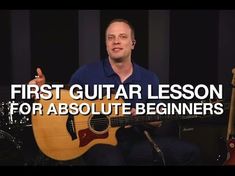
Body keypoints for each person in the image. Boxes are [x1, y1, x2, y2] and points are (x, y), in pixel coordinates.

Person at [29, 18, 201, 165]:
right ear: (106, 44)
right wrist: (43, 92)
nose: (116, 41)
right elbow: (62, 103)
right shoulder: (86, 73)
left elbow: (157, 120)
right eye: (111, 37)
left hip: (136, 142)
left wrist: (147, 116)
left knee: (190, 152)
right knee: (112, 161)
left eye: (122, 37)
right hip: (95, 143)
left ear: (132, 43)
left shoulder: (150, 79)